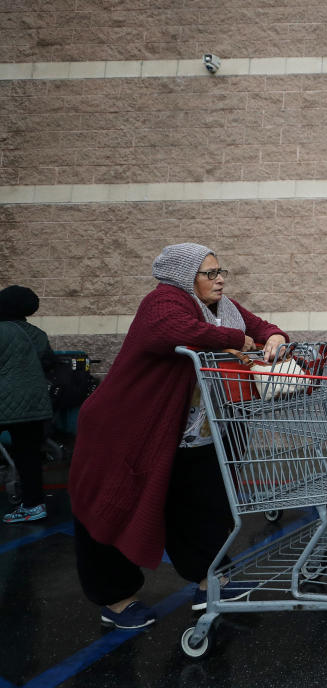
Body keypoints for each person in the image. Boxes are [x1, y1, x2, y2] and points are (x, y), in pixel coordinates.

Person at [68, 244, 288, 630]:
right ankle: (115, 599)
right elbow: (178, 331)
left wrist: (274, 337)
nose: (220, 279)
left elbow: (260, 328)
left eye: (221, 271)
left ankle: (211, 582)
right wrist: (235, 339)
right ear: (186, 277)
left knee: (204, 503)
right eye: (210, 273)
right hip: (126, 430)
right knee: (113, 507)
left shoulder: (225, 309)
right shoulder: (164, 301)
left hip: (193, 431)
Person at [1, 286, 56, 524]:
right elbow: (48, 363)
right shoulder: (37, 333)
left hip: (5, 401)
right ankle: (33, 505)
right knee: (29, 455)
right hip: (35, 402)